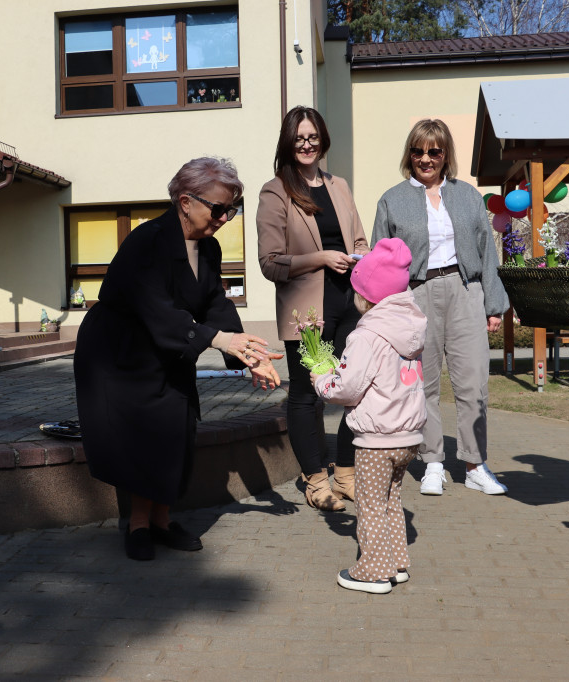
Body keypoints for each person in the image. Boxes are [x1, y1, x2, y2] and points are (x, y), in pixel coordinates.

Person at [74, 157, 282, 561]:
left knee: (177, 430)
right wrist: (222, 341)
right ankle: (138, 524)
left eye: (231, 210)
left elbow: (215, 302)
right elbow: (158, 310)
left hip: (169, 346)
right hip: (120, 354)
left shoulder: (209, 247)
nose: (224, 219)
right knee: (142, 435)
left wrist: (250, 354)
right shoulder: (147, 242)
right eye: (218, 209)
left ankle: (162, 520)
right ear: (185, 202)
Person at [371, 119, 509, 497]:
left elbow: (487, 252)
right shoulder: (392, 199)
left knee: (473, 381)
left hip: (466, 290)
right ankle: (433, 462)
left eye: (434, 151)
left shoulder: (467, 196)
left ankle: (475, 465)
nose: (426, 159)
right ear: (409, 154)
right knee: (422, 384)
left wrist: (493, 305)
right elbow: (381, 259)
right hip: (417, 294)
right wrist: (385, 310)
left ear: (445, 154)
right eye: (418, 151)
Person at [256, 106, 369, 511]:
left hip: (350, 303)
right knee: (307, 395)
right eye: (299, 138)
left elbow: (360, 241)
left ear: (323, 140)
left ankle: (346, 475)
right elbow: (270, 262)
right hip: (309, 315)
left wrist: (361, 258)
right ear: (288, 142)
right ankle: (315, 479)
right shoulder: (275, 191)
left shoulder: (339, 185)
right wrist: (320, 258)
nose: (307, 144)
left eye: (313, 137)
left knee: (354, 389)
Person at [311, 238, 427, 594]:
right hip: (408, 436)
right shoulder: (410, 327)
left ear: (366, 295)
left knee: (370, 505)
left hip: (377, 439)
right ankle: (396, 562)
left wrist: (321, 379)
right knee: (391, 501)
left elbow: (347, 388)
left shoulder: (366, 335)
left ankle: (373, 572)